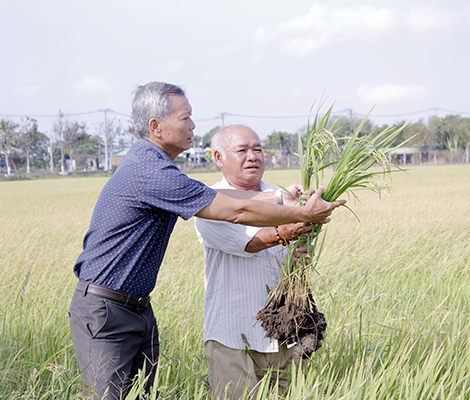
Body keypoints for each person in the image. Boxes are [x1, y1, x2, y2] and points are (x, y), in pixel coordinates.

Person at [68, 82, 345, 400]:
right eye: (185, 118)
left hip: (136, 307)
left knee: (143, 396)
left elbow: (229, 196)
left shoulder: (155, 166)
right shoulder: (151, 172)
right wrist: (304, 214)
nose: (193, 125)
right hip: (107, 310)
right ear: (156, 126)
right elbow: (236, 209)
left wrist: (284, 199)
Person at [195, 125, 314, 399]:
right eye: (242, 150)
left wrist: (301, 253)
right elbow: (249, 243)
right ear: (219, 158)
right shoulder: (209, 203)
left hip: (285, 331)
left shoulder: (283, 197)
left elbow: (297, 255)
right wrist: (285, 231)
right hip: (232, 336)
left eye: (257, 149)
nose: (252, 156)